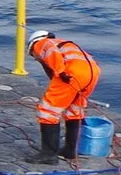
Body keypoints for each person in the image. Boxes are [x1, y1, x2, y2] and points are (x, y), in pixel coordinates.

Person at [28, 30, 100, 160]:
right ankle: (70, 150)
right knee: (74, 111)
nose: (35, 57)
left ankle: (48, 155)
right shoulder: (64, 44)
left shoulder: (41, 43)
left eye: (33, 55)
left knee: (47, 112)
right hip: (92, 73)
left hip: (71, 73)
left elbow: (50, 51)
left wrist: (61, 72)